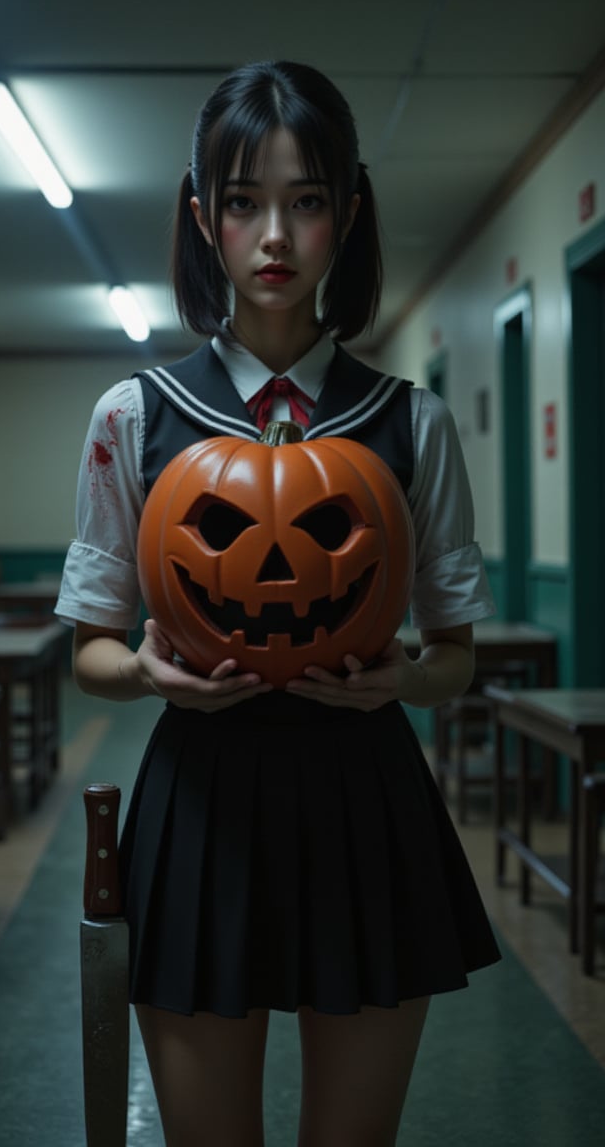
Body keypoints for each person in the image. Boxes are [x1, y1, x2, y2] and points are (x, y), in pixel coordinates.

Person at [56, 59, 500, 1147]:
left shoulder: (412, 422)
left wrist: (404, 680)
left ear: (346, 217)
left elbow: (455, 659)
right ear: (203, 218)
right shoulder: (136, 417)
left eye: (305, 203)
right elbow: (92, 654)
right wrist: (151, 677)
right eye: (245, 202)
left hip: (368, 802)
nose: (273, 238)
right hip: (200, 806)